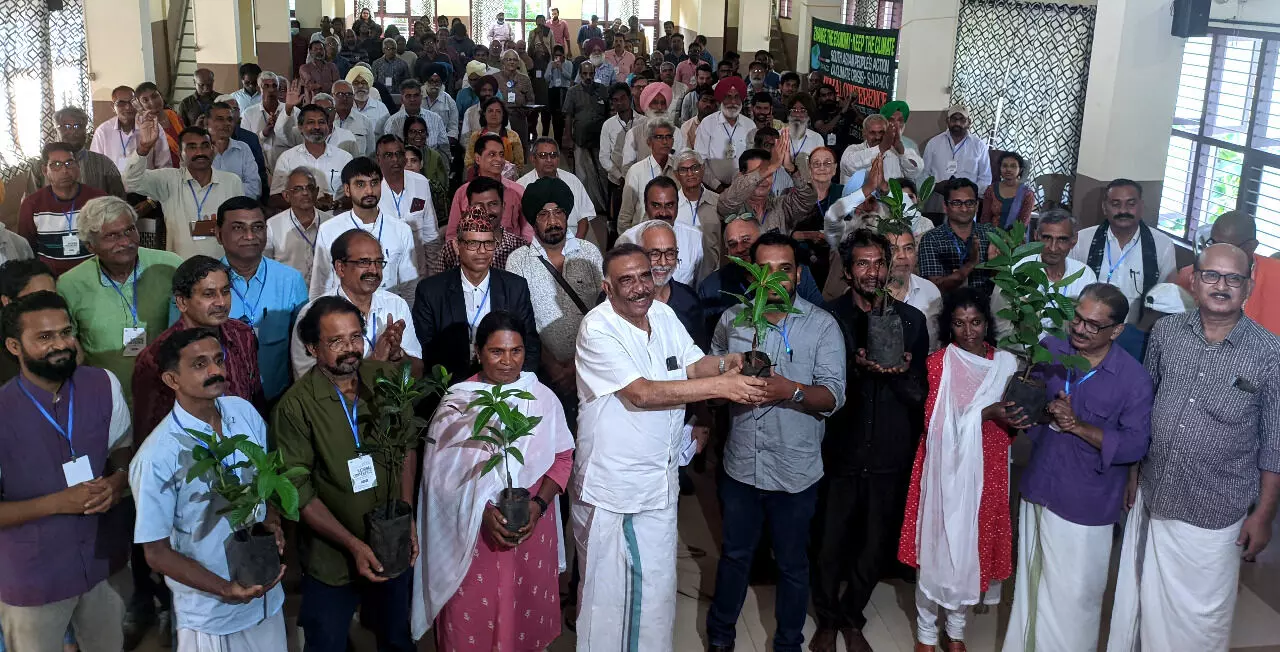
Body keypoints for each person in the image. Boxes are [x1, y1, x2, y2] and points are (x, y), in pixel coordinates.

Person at [572, 244, 767, 651]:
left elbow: (692, 363)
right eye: (627, 279)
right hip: (617, 488)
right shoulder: (597, 327)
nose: (640, 287)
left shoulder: (662, 314)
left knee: (657, 589)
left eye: (645, 275)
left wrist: (728, 362)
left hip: (658, 480)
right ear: (608, 287)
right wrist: (723, 386)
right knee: (611, 599)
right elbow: (641, 393)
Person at [1107, 243, 1280, 652]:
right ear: (1194, 280)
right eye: (1211, 276)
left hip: (1215, 511)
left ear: (1249, 285)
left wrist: (1265, 515)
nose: (1221, 286)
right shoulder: (1166, 333)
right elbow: (1143, 408)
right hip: (1155, 495)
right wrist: (1133, 473)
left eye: (1233, 278)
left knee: (1198, 624)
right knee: (1142, 606)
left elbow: (1275, 442)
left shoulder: (1270, 354)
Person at [704, 231, 845, 652]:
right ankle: (719, 637)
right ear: (751, 277)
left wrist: (793, 391)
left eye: (784, 270)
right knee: (734, 557)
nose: (774, 279)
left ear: (798, 275)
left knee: (792, 564)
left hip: (795, 471)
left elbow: (834, 396)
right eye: (763, 271)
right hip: (741, 466)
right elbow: (711, 377)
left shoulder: (821, 326)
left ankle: (788, 643)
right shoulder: (733, 320)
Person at [410, 310, 575, 648]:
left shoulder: (540, 396)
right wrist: (480, 509)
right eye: (496, 351)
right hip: (471, 530)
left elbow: (562, 458)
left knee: (524, 616)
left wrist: (539, 504)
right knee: (472, 617)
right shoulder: (459, 401)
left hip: (531, 525)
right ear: (478, 351)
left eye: (515, 351)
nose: (507, 361)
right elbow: (437, 477)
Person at [1003, 283, 1152, 652]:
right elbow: (1027, 403)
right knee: (1030, 588)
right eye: (1077, 319)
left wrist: (1077, 426)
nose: (1081, 329)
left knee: (1075, 602)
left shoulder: (1133, 380)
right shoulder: (1052, 350)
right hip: (1040, 487)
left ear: (1116, 330)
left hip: (1086, 504)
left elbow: (1135, 444)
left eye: (1093, 325)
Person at [273, 297, 417, 652]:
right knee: (327, 641)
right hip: (331, 554)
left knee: (397, 637)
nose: (350, 350)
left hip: (391, 538)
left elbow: (408, 447)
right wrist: (353, 545)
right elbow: (297, 489)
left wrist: (406, 513)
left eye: (356, 337)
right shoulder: (295, 406)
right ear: (312, 348)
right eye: (336, 341)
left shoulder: (382, 379)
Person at [130, 327, 287, 651]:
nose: (216, 371)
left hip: (265, 596)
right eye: (200, 365)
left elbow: (265, 478)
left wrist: (271, 518)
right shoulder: (157, 456)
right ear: (172, 380)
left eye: (218, 360)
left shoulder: (242, 412)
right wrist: (225, 589)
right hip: (213, 614)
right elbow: (156, 553)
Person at [811, 229, 928, 652]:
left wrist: (899, 375)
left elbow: (921, 393)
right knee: (829, 540)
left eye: (879, 262)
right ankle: (826, 618)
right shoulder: (827, 319)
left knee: (876, 542)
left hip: (890, 451)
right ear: (847, 268)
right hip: (839, 449)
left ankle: (852, 615)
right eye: (863, 263)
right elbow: (821, 387)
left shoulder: (911, 320)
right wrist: (859, 370)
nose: (873, 272)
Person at [898, 288, 1029, 652]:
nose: (968, 331)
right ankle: (926, 634)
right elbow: (933, 424)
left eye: (975, 322)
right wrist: (985, 414)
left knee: (970, 548)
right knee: (936, 546)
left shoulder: (1004, 364)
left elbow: (1015, 420)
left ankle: (956, 632)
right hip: (941, 469)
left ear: (987, 323)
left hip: (987, 470)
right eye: (959, 323)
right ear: (948, 326)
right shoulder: (938, 364)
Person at [0, 291, 133, 652]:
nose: (61, 344)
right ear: (15, 346)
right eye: (44, 337)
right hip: (33, 577)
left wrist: (118, 479)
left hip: (102, 562)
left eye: (65, 331)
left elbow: (121, 444)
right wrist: (58, 502)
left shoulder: (103, 384)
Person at [131, 255, 263, 439]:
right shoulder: (154, 358)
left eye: (225, 291)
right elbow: (148, 431)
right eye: (209, 294)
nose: (221, 302)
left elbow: (255, 398)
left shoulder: (242, 334)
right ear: (182, 302)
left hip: (244, 448)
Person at [505, 177, 603, 418]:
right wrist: (554, 367)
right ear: (533, 220)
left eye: (558, 212)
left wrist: (577, 365)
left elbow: (605, 310)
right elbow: (520, 322)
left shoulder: (588, 252)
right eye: (543, 214)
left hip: (593, 365)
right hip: (545, 373)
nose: (553, 221)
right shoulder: (518, 261)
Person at [413, 204, 540, 381]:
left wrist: (519, 385)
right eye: (473, 243)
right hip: (451, 387)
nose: (482, 251)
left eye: (488, 243)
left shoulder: (515, 287)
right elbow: (425, 350)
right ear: (457, 246)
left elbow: (530, 343)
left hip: (507, 385)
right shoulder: (431, 291)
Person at [215, 196, 309, 402]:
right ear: (219, 234)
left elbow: (303, 347)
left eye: (257, 227)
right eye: (238, 228)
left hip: (278, 398)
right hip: (220, 402)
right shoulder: (203, 282)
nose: (250, 236)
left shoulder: (290, 280)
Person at [291, 229, 421, 378]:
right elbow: (308, 383)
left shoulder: (396, 305)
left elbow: (418, 373)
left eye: (378, 262)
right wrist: (375, 360)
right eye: (364, 262)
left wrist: (397, 355)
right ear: (340, 268)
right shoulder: (313, 314)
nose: (374, 270)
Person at [126, 123, 244, 259]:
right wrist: (144, 148)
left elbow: (239, 226)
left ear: (213, 150)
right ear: (180, 154)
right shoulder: (168, 180)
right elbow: (130, 181)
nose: (200, 152)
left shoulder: (231, 182)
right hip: (180, 268)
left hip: (221, 268)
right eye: (192, 147)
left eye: (205, 146)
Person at [697, 216, 827, 340]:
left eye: (746, 240)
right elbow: (710, 339)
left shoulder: (795, 273)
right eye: (732, 244)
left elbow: (821, 317)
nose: (740, 248)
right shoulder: (712, 286)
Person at [1069, 179, 1177, 323]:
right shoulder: (1082, 240)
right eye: (1115, 204)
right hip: (1089, 329)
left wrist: (1139, 332)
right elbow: (1069, 289)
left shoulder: (1162, 245)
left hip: (1138, 333)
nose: (1123, 210)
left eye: (1131, 204)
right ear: (1104, 207)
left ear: (1141, 206)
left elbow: (1166, 296)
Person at [310, 157, 420, 298]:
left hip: (388, 314)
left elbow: (409, 286)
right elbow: (320, 286)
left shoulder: (401, 230)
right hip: (343, 314)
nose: (369, 191)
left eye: (374, 183)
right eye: (360, 184)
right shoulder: (329, 229)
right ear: (347, 190)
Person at [991, 209, 1097, 341]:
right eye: (1047, 238)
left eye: (1062, 239)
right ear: (1036, 236)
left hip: (1069, 355)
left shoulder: (1085, 275)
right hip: (1021, 356)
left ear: (1073, 241)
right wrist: (1035, 352)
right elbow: (1001, 327)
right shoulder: (1015, 272)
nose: (1053, 248)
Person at [1170, 210, 1280, 335]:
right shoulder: (1189, 276)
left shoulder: (1276, 275)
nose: (1218, 252)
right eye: (1213, 244)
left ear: (1251, 247)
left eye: (1228, 246)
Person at [18, 142, 106, 276]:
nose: (64, 171)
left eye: (69, 163)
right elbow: (26, 248)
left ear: (77, 166)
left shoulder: (98, 199)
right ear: (44, 170)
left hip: (94, 275)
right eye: (56, 165)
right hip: (51, 279)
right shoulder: (32, 205)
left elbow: (108, 240)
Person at [716, 132, 817, 237]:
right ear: (742, 175)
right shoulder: (732, 206)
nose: (764, 179)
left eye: (769, 174)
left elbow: (808, 199)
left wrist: (791, 168)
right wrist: (770, 167)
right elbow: (728, 202)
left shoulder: (781, 207)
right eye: (760, 173)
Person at [447, 136, 533, 243]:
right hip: (474, 255)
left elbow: (528, 232)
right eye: (492, 154)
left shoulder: (518, 191)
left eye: (501, 154)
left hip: (511, 254)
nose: (499, 159)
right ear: (478, 158)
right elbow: (452, 234)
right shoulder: (463, 192)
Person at [917, 178, 995, 295]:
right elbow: (936, 288)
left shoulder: (990, 234)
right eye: (957, 203)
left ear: (977, 205)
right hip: (947, 308)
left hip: (987, 307)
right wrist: (971, 264)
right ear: (945, 206)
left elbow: (1001, 282)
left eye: (969, 203)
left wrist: (997, 265)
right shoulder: (932, 239)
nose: (964, 209)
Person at [269, 102, 354, 207]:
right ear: (300, 127)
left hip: (335, 218)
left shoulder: (345, 158)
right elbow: (275, 197)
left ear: (328, 126)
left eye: (321, 122)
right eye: (311, 122)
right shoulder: (287, 158)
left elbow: (355, 193)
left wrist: (336, 204)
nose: (317, 127)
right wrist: (304, 206)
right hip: (299, 220)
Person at [374, 135, 438, 273]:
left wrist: (433, 272)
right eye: (388, 155)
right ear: (378, 158)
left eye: (399, 154)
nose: (395, 159)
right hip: (384, 272)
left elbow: (430, 232)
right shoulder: (371, 188)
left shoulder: (421, 182)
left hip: (416, 269)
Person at [32, 107, 125, 199]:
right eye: (66, 127)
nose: (73, 132)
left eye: (78, 126)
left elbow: (120, 204)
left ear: (85, 130)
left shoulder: (104, 164)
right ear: (56, 130)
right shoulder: (40, 167)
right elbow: (31, 205)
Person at [517, 139, 597, 240]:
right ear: (533, 159)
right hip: (535, 243)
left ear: (558, 159)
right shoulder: (521, 185)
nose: (549, 160)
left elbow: (583, 219)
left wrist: (575, 246)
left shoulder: (572, 180)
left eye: (553, 155)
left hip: (572, 240)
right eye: (543, 155)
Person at [265, 168, 332, 286]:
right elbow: (266, 268)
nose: (305, 193)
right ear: (286, 196)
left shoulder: (331, 223)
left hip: (325, 294)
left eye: (310, 188)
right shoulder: (273, 225)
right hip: (288, 295)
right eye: (298, 189)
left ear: (316, 192)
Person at [562, 61, 611, 215]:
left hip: (600, 139)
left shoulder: (602, 90)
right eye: (585, 74)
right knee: (583, 175)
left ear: (595, 73)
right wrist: (568, 137)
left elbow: (609, 113)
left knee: (602, 173)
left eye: (591, 74)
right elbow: (568, 116)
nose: (588, 77)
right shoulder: (573, 92)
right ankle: (585, 207)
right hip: (580, 139)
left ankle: (603, 206)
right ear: (580, 74)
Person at [883, 226, 943, 351]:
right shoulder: (871, 293)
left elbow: (935, 344)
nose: (902, 256)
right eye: (893, 249)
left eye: (908, 249)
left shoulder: (930, 291)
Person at [618, 117, 681, 233]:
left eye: (668, 137)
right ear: (649, 142)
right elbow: (625, 216)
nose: (665, 141)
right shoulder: (636, 171)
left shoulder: (679, 169)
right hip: (642, 237)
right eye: (659, 137)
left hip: (674, 235)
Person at [90, 86, 172, 172]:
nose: (128, 107)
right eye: (121, 103)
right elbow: (95, 166)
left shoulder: (152, 126)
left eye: (132, 102)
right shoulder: (103, 131)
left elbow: (165, 165)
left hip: (146, 183)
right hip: (114, 183)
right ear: (112, 106)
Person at [0, 259, 56, 383]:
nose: (47, 307)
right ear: (7, 301)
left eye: (52, 297)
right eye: (35, 299)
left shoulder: (65, 335)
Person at [695, 77, 751, 191]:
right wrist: (717, 186)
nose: (733, 102)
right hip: (712, 189)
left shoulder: (750, 125)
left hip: (743, 189)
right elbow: (700, 160)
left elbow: (753, 160)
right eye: (728, 97)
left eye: (737, 97)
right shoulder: (707, 123)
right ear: (720, 99)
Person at [921, 104, 992, 194]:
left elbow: (985, 178)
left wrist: (969, 192)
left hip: (967, 198)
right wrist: (934, 186)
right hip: (937, 195)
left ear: (969, 122)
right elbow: (924, 173)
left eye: (962, 119)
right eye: (954, 119)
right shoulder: (933, 143)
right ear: (947, 121)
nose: (957, 123)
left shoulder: (979, 146)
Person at [672, 150, 722, 269]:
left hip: (712, 274)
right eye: (683, 170)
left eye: (695, 168)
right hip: (679, 275)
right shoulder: (671, 205)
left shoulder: (718, 202)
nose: (690, 174)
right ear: (676, 175)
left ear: (703, 168)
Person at [382, 80, 451, 166]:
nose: (412, 99)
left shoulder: (436, 119)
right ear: (402, 100)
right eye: (408, 96)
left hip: (431, 167)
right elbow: (387, 151)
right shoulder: (392, 122)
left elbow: (444, 150)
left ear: (421, 97)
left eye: (416, 95)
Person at [839, 113, 921, 184]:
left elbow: (915, 172)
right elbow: (848, 166)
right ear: (864, 133)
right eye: (872, 133)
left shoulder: (895, 152)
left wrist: (901, 151)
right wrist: (881, 148)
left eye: (881, 132)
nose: (878, 137)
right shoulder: (854, 150)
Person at [205, 102, 261, 200]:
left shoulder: (243, 149)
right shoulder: (200, 152)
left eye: (230, 119)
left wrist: (215, 190)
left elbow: (254, 189)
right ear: (206, 123)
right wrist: (235, 187)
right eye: (220, 119)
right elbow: (198, 187)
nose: (227, 124)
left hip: (238, 209)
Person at [239, 72, 293, 171]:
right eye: (266, 86)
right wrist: (263, 134)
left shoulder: (292, 111)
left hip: (288, 167)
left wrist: (282, 125)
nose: (271, 90)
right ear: (259, 89)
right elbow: (245, 145)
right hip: (259, 168)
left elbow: (298, 142)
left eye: (274, 86)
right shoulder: (248, 114)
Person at [464, 97, 526, 171]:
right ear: (484, 114)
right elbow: (469, 162)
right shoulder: (476, 136)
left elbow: (519, 165)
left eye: (498, 111)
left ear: (503, 115)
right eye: (490, 111)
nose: (494, 114)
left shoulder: (513, 136)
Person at [980, 151, 1034, 229]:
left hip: (1015, 238)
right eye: (1004, 166)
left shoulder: (1027, 194)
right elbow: (985, 218)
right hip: (991, 237)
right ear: (1000, 168)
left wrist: (1007, 240)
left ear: (1020, 170)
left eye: (1013, 166)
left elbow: (1023, 224)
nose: (1008, 169)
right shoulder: (991, 190)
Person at [330, 80, 375, 156]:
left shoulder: (365, 122)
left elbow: (371, 153)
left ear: (353, 97)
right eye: (340, 94)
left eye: (349, 94)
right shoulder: (326, 122)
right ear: (332, 96)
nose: (344, 98)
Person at [419, 66, 459, 146]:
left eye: (437, 81)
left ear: (442, 83)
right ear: (426, 82)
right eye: (431, 81)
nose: (434, 84)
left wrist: (444, 143)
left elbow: (453, 128)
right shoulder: (416, 97)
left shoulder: (449, 100)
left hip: (442, 143)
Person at [346, 66, 391, 136]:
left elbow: (388, 133)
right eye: (356, 83)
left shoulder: (380, 107)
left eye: (364, 82)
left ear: (369, 85)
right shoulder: (345, 107)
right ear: (350, 86)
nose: (360, 86)